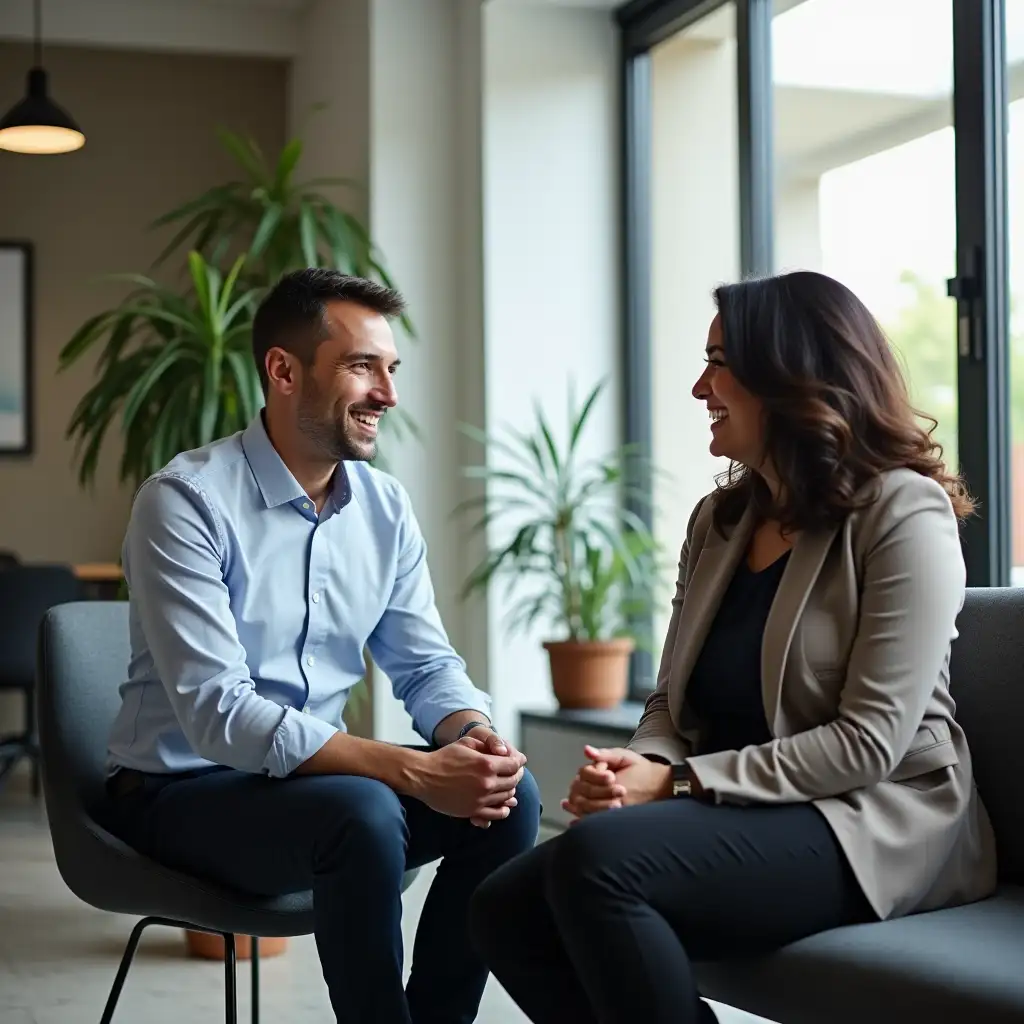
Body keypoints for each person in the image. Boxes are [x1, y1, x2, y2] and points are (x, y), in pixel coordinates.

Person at [469, 270, 997, 1024]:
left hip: (875, 820)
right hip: (750, 810)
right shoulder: (718, 522)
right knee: (502, 909)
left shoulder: (901, 509)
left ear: (792, 374)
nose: (697, 387)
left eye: (719, 361)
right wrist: (644, 764)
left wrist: (677, 785)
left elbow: (869, 744)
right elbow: (668, 700)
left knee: (597, 867)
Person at [99, 268, 541, 1024]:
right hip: (176, 791)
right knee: (362, 813)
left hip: (305, 789)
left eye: (391, 369)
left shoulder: (384, 507)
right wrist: (411, 768)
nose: (389, 394)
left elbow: (426, 663)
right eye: (362, 366)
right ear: (283, 370)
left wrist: (476, 742)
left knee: (510, 801)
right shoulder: (185, 501)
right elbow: (220, 715)